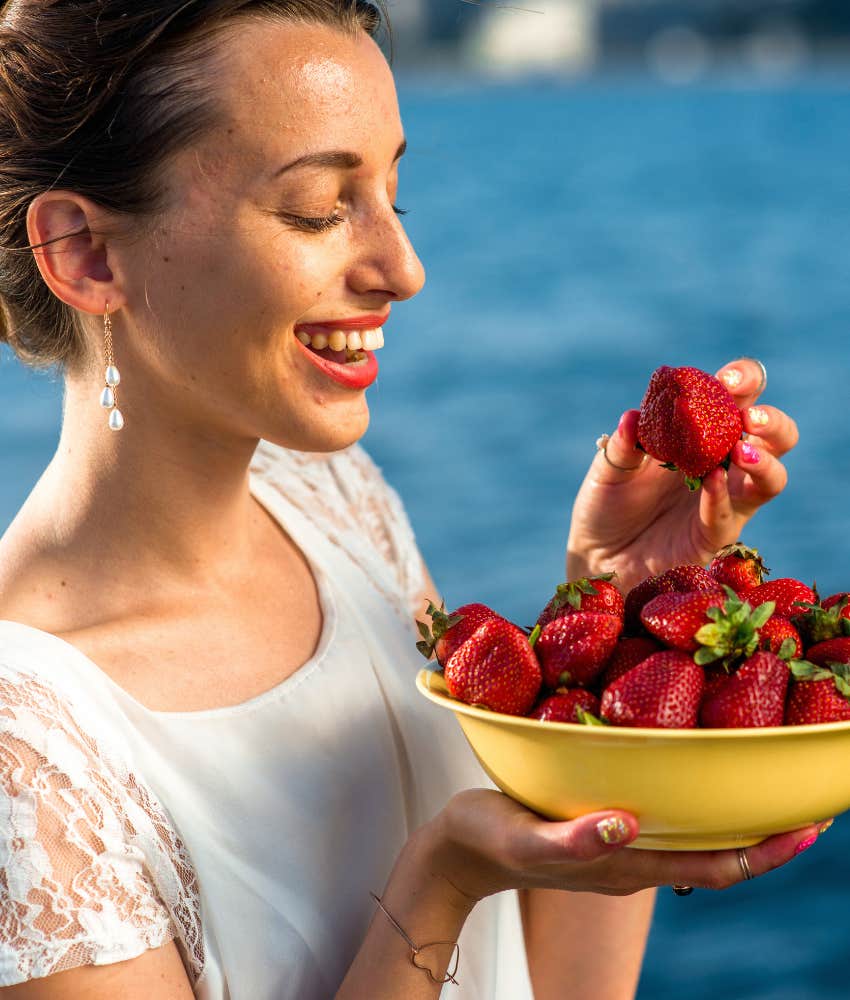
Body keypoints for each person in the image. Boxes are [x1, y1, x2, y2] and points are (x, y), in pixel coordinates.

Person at [0, 2, 821, 998]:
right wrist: (439, 886)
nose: (404, 269)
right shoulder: (25, 748)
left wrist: (617, 620)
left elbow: (557, 986)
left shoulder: (340, 504)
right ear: (85, 254)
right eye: (317, 208)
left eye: (395, 194)